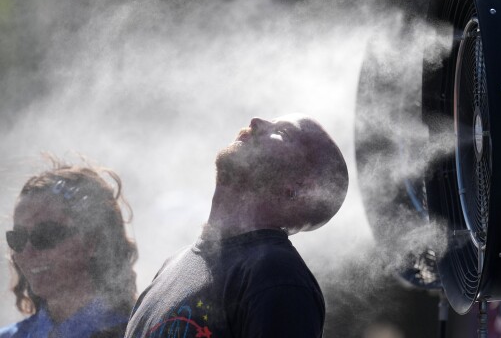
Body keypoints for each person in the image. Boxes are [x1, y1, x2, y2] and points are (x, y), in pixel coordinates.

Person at [125, 113, 349, 338]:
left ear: (296, 188)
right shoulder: (170, 267)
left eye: (282, 132)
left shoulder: (278, 276)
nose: (256, 121)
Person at [0, 158, 138, 338]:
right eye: (17, 238)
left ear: (92, 241)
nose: (27, 252)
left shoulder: (138, 332)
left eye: (45, 235)